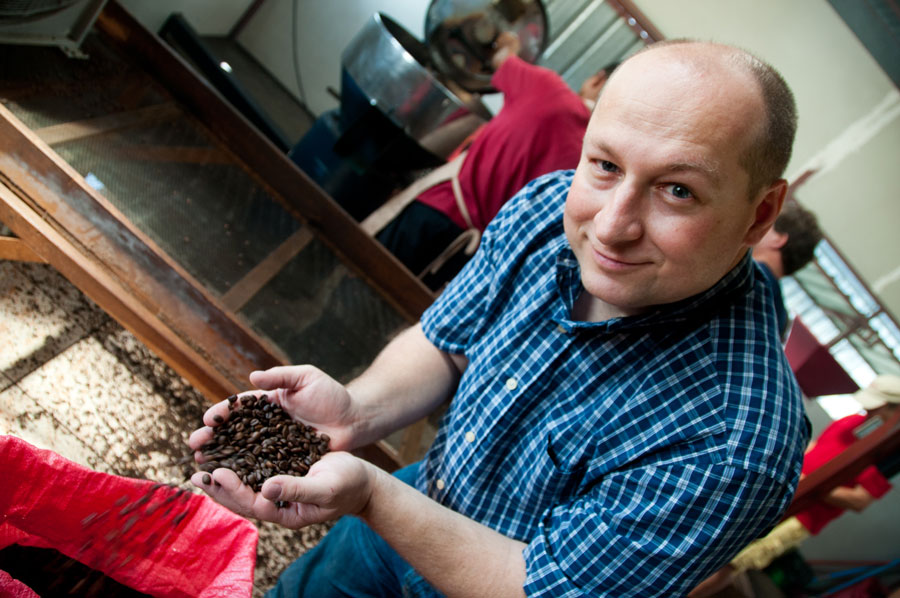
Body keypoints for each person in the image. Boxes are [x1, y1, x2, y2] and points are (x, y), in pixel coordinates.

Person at [189, 39, 810, 597]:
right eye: (606, 165)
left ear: (760, 216)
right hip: (407, 505)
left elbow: (543, 590)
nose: (613, 226)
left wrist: (374, 495)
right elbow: (446, 342)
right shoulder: (547, 211)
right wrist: (358, 412)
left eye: (678, 190)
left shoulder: (737, 438)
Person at [374, 32, 616, 287]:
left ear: (597, 80)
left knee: (357, 277)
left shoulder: (548, 88)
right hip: (475, 261)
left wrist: (508, 41)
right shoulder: (596, 165)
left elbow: (501, 56)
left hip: (436, 211)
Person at [690, 374, 900, 598]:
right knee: (713, 537)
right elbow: (815, 448)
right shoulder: (851, 421)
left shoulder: (887, 455)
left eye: (878, 408)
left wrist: (807, 482)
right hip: (776, 492)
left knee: (734, 561)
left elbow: (859, 500)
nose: (870, 412)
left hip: (801, 516)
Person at [752, 199, 823, 336]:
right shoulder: (781, 316)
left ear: (778, 240)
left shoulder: (751, 277)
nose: (756, 223)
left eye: (767, 222)